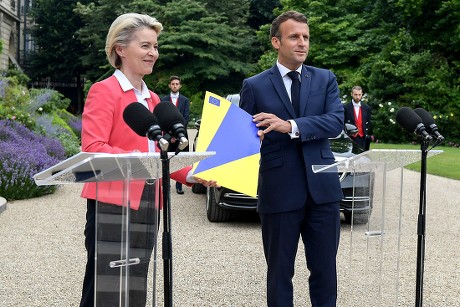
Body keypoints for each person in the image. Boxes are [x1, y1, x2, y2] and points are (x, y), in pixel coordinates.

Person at [79, 13, 210, 306]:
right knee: (104, 291)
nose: (153, 53)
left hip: (148, 204)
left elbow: (161, 155)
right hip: (111, 206)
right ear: (120, 49)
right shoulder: (104, 92)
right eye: (145, 46)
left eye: (155, 46)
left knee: (134, 286)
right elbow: (93, 147)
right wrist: (138, 157)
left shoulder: (153, 100)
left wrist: (192, 175)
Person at [239, 11, 344, 307]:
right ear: (276, 41)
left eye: (306, 37)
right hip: (278, 191)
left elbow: (335, 122)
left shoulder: (325, 79)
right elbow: (243, 139)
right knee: (279, 274)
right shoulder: (255, 85)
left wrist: (291, 126)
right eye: (294, 36)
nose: (302, 43)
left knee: (325, 272)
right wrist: (220, 168)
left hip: (323, 192)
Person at [162, 75, 191, 194]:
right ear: (169, 85)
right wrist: (170, 135)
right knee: (166, 159)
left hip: (181, 135)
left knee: (180, 159)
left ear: (180, 85)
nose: (175, 86)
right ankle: (166, 185)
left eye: (177, 84)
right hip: (168, 135)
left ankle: (179, 185)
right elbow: (162, 118)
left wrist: (177, 135)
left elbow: (185, 118)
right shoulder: (163, 100)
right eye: (173, 84)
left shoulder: (185, 100)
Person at [343, 85, 373, 151]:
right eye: (355, 94)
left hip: (363, 137)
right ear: (351, 94)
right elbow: (343, 122)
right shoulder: (346, 108)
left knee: (363, 156)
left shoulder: (367, 108)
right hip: (351, 137)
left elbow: (369, 122)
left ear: (362, 94)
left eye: (359, 95)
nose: (357, 97)